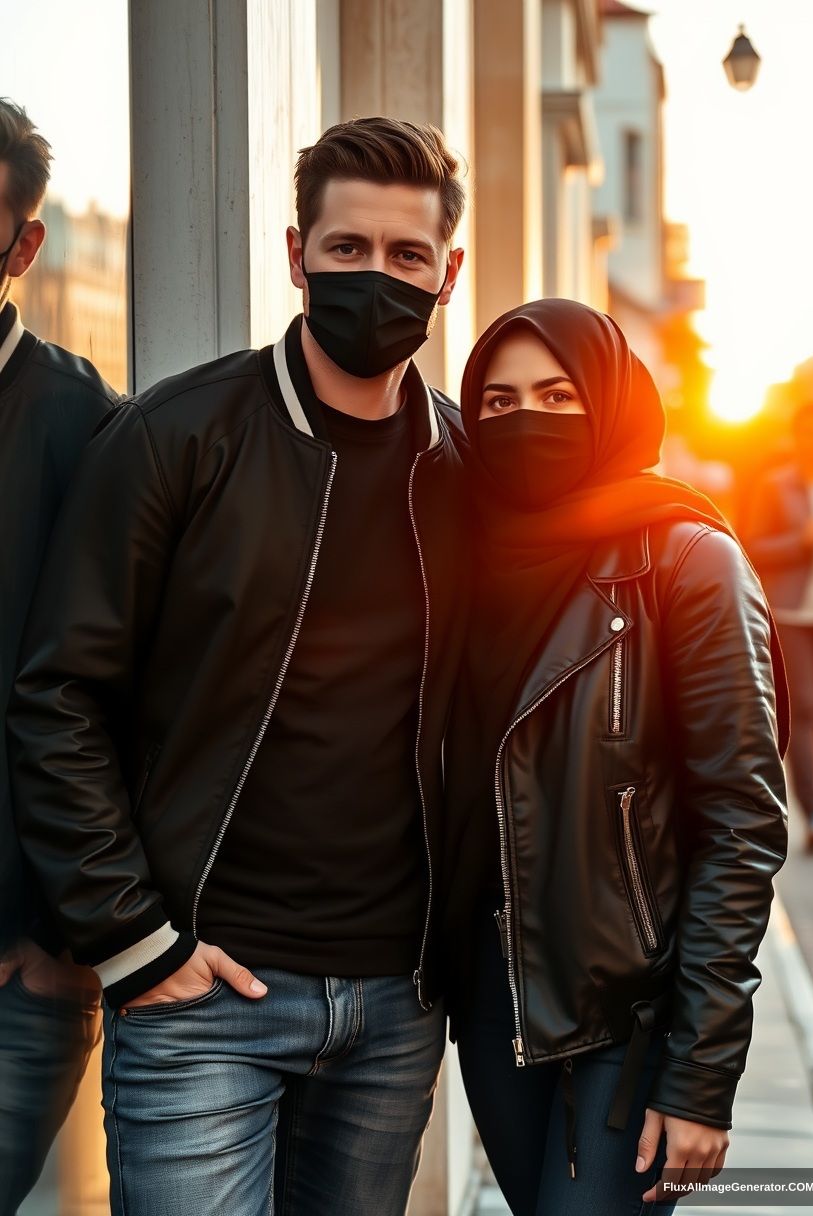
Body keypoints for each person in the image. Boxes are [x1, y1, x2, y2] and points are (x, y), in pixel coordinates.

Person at [8, 116, 469, 1216]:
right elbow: (60, 691)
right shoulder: (177, 435)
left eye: (407, 257)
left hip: (395, 1010)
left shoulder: (470, 471)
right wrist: (131, 936)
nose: (376, 278)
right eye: (346, 249)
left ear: (449, 272)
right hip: (200, 995)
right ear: (295, 253)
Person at [441, 298, 789, 1216]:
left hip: (630, 1018)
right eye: (501, 403)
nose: (528, 423)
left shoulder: (687, 560)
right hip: (491, 999)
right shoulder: (460, 555)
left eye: (560, 395)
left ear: (614, 402)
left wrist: (700, 1074)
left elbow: (742, 826)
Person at [0, 98, 117, 1215]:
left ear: (24, 246)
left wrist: (63, 935)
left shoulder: (87, 425)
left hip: (18, 975)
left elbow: (122, 691)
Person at [745, 399, 813, 852]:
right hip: (794, 615)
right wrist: (801, 541)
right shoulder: (776, 485)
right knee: (806, 709)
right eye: (810, 432)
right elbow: (753, 545)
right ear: (797, 437)